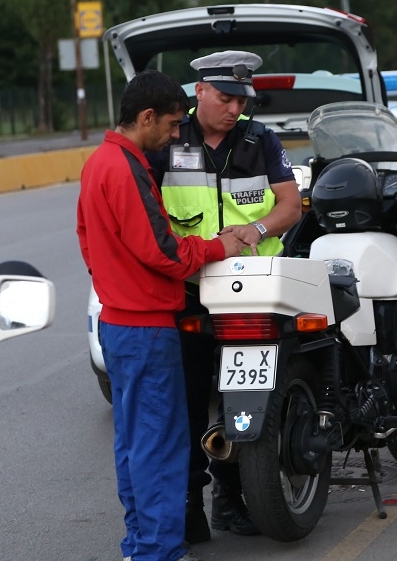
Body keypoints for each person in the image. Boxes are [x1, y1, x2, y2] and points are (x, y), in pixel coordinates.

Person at [76, 70, 248, 561]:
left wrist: (115, 280)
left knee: (133, 445)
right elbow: (164, 251)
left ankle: (140, 544)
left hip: (118, 324)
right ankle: (157, 551)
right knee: (162, 447)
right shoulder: (127, 167)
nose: (177, 135)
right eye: (173, 126)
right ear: (146, 118)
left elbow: (87, 236)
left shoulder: (97, 163)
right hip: (147, 329)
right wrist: (218, 245)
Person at [146, 50, 302, 543]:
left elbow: (291, 205)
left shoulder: (261, 140)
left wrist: (255, 227)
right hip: (190, 290)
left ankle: (234, 499)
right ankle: (190, 503)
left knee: (246, 398)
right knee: (190, 400)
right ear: (200, 93)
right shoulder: (169, 140)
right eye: (227, 98)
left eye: (242, 99)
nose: (236, 109)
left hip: (253, 292)